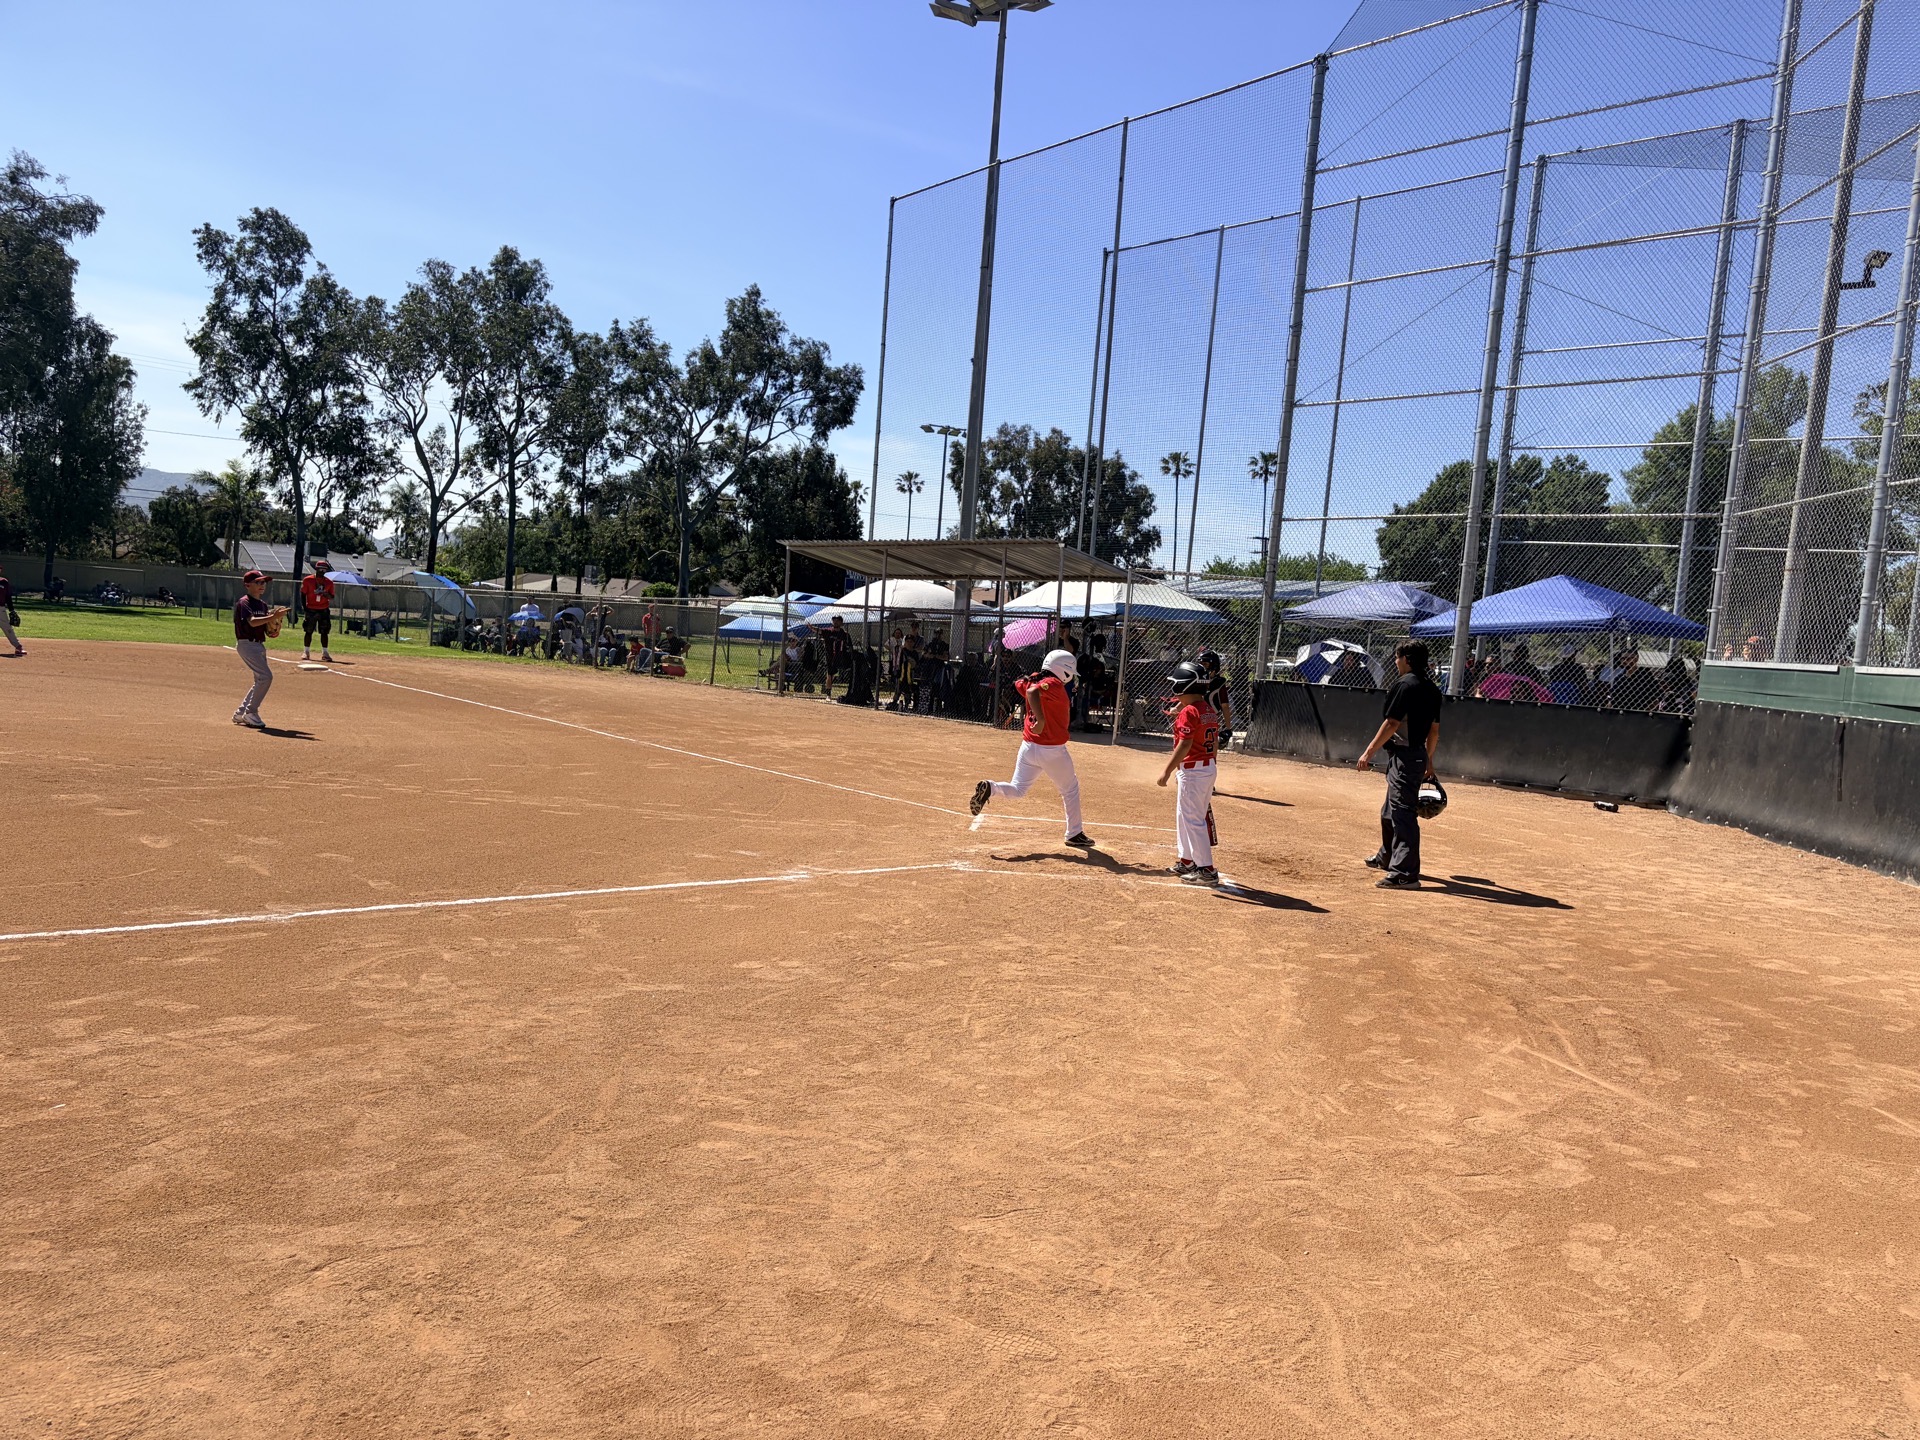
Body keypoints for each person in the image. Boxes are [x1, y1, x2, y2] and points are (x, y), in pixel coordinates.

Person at [970, 648, 1094, 850]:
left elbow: (1022, 684)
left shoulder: (1036, 680)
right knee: (1070, 790)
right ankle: (1074, 833)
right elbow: (1032, 691)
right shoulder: (1053, 683)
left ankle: (990, 787)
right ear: (1063, 670)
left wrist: (1032, 678)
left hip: (1029, 748)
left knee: (1018, 789)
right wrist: (1042, 718)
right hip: (1052, 750)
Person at [1357, 641, 1442, 890]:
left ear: (1406, 658)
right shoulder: (1432, 689)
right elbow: (1434, 731)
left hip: (1406, 757)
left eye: (1397, 658)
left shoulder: (1405, 685)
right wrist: (1429, 758)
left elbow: (1392, 723)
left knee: (1403, 814)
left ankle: (1405, 873)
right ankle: (1388, 855)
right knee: (1389, 810)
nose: (1396, 662)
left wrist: (1368, 751)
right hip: (1412, 756)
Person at [1159, 659, 1223, 887]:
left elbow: (1184, 745)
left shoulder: (1190, 712)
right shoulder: (1207, 709)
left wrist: (1166, 772)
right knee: (1184, 816)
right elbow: (1213, 741)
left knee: (1193, 820)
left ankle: (1206, 870)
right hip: (1206, 768)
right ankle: (1187, 861)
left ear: (1183, 688)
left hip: (1194, 771)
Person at [231, 569, 289, 730]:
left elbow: (263, 627)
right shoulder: (244, 603)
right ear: (247, 585)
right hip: (246, 644)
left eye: (264, 582)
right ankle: (251, 712)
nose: (262, 585)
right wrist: (272, 617)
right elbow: (252, 622)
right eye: (258, 582)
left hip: (258, 645)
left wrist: (273, 629)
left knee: (260, 679)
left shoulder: (263, 605)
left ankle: (241, 712)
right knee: (265, 677)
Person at [299, 555, 336, 662]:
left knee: (324, 632)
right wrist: (304, 607)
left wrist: (325, 594)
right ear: (316, 569)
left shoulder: (329, 582)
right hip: (311, 608)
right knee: (308, 630)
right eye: (320, 569)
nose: (322, 571)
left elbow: (332, 596)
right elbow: (303, 594)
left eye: (324, 570)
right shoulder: (308, 580)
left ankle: (325, 653)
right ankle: (306, 652)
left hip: (323, 609)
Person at [1197, 648, 1234, 749]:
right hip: (1196, 716)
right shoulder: (1197, 680)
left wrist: (1228, 728)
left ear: (1213, 666)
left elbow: (1225, 706)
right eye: (1201, 664)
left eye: (1205, 664)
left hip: (1209, 719)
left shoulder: (1218, 683)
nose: (1202, 667)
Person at [0, 561, 22, 657]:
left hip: (0, 609)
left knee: (7, 628)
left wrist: (12, 610)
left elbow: (8, 597)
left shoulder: (4, 582)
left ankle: (18, 647)